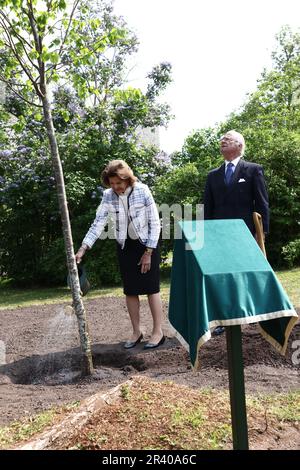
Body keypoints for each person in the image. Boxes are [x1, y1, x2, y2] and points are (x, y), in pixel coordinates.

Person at [75, 160, 165, 349]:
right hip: (125, 245)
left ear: (127, 179)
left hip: (147, 243)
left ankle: (158, 332)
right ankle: (136, 331)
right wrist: (84, 247)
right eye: (112, 183)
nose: (115, 187)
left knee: (151, 288)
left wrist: (149, 252)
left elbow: (155, 222)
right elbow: (98, 222)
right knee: (130, 289)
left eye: (118, 183)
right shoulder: (108, 195)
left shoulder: (142, 190)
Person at [204, 130, 269, 335]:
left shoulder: (253, 170)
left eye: (228, 139)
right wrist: (207, 235)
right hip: (220, 236)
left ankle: (251, 312)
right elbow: (208, 207)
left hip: (246, 234)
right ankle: (226, 317)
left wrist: (262, 233)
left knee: (246, 275)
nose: (223, 141)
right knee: (224, 276)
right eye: (221, 139)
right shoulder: (213, 175)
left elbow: (262, 203)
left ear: (239, 146)